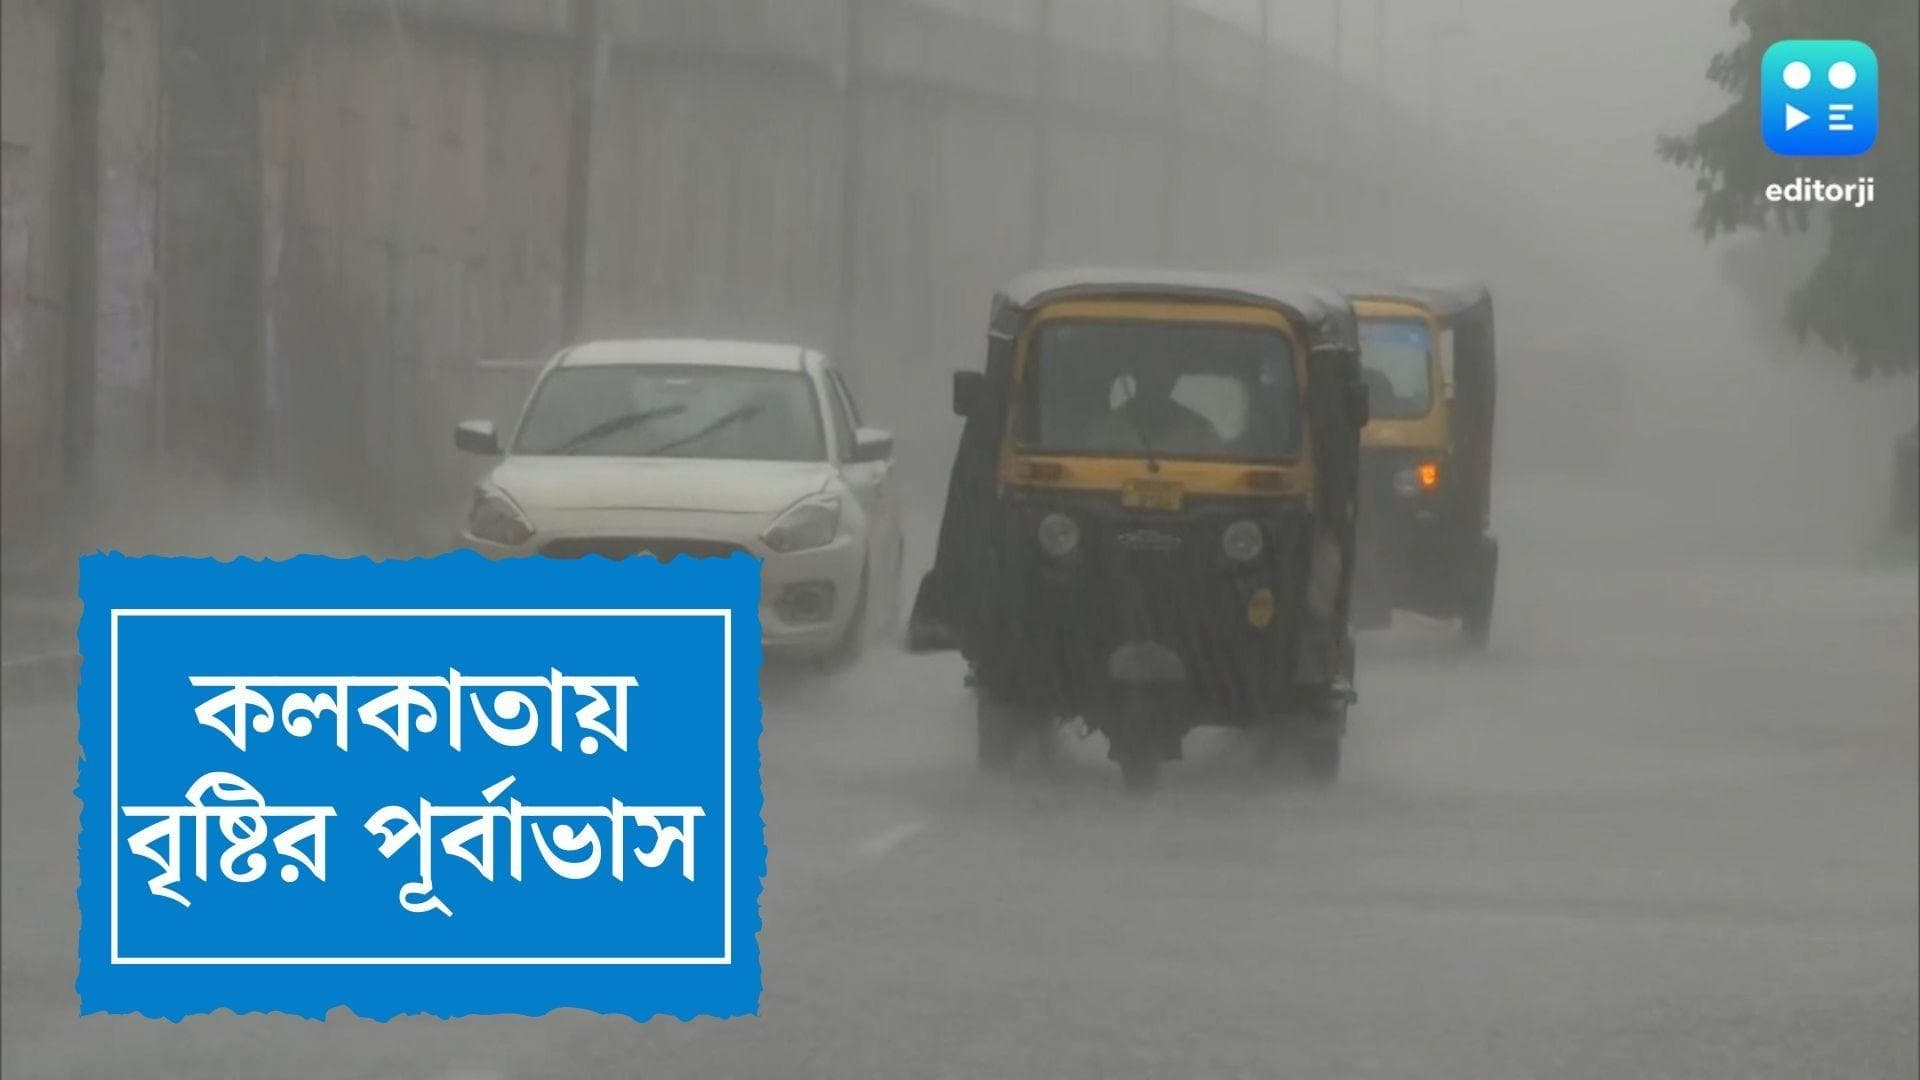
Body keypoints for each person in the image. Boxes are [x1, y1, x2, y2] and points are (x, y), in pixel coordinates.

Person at [1085, 365, 1225, 457]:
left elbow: (1220, 476)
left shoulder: (1200, 431)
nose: (1158, 381)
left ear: (1173, 380)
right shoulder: (1108, 429)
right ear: (1138, 377)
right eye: (1150, 375)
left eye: (1165, 376)